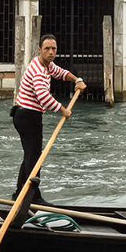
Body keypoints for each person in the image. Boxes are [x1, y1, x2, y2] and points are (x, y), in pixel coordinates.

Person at [12, 33, 85, 201]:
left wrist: (77, 80)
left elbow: (60, 73)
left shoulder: (47, 65)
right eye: (47, 49)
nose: (51, 52)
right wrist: (63, 110)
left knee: (30, 156)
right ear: (39, 50)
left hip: (27, 115)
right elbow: (43, 96)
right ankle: (33, 197)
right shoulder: (38, 70)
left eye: (54, 49)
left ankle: (19, 194)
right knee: (34, 157)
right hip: (27, 116)